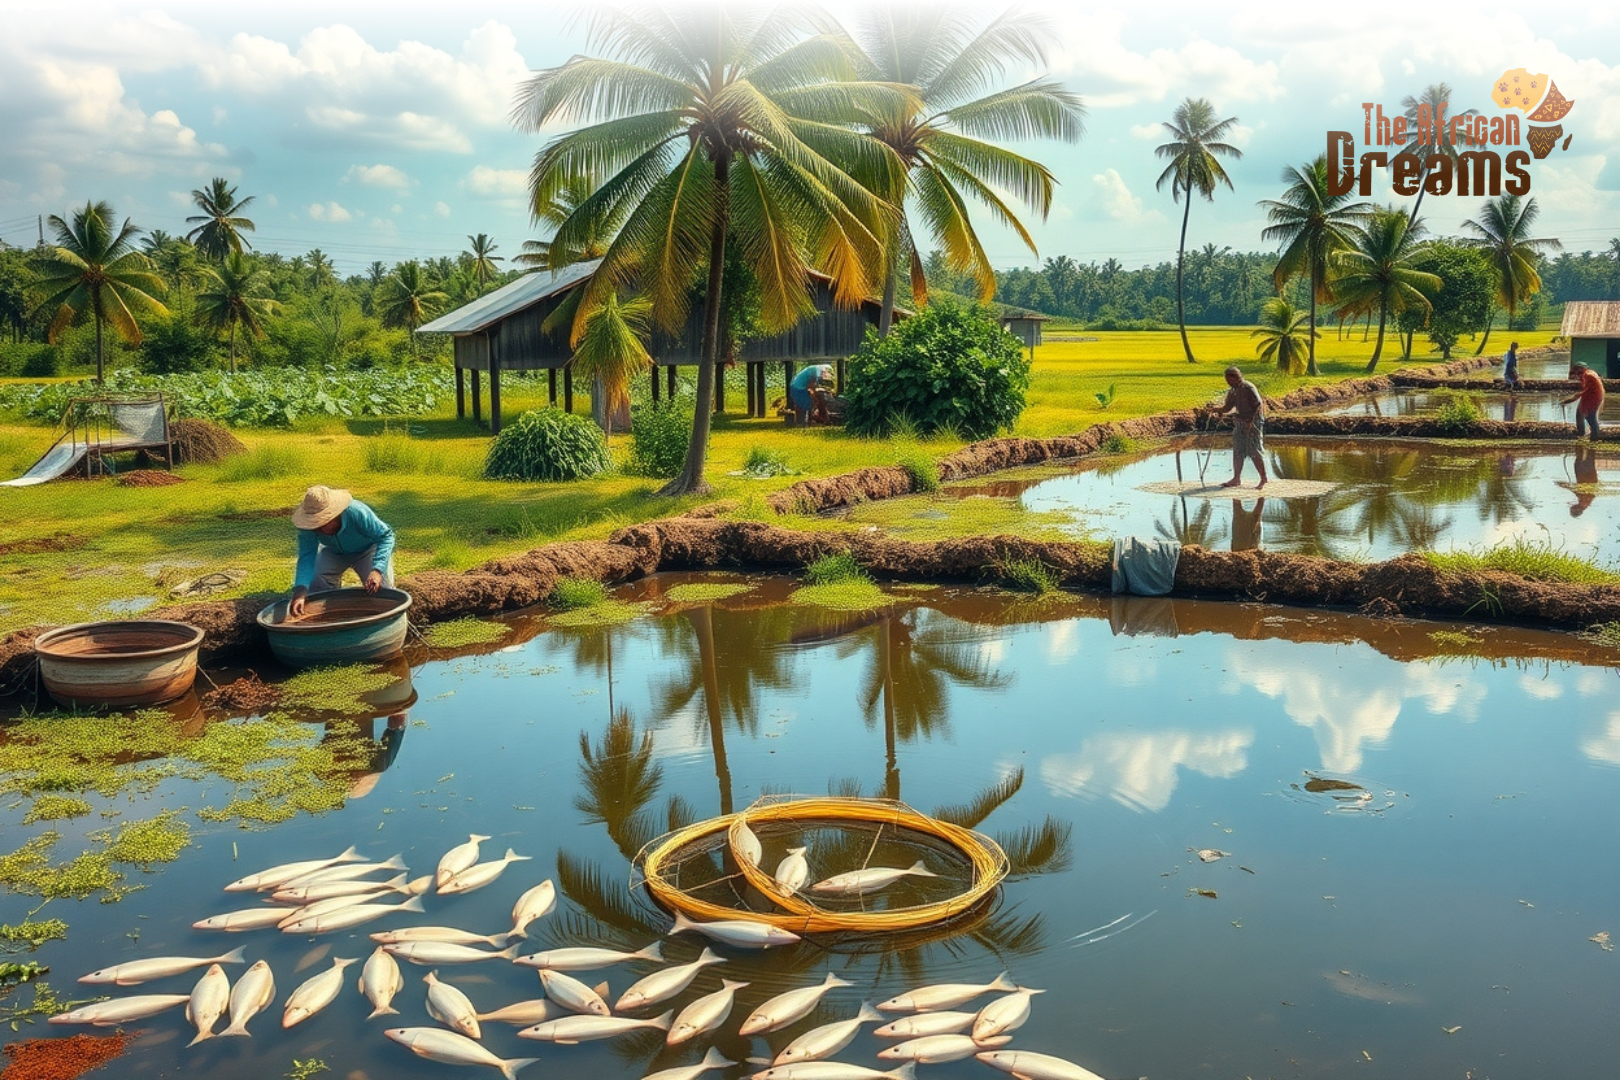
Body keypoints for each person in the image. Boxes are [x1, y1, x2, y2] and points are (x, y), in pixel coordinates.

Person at [288, 485, 395, 617]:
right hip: (333, 551)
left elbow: (386, 536)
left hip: (368, 549)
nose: (319, 530)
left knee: (382, 591)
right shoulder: (308, 527)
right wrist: (300, 590)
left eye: (322, 523)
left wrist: (377, 570)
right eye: (315, 525)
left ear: (335, 515)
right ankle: (331, 615)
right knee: (315, 584)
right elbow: (307, 556)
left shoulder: (356, 511)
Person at [1214, 366, 1268, 489]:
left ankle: (1263, 478)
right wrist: (1216, 409)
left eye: (1229, 380)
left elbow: (1258, 405)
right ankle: (1236, 478)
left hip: (1253, 422)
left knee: (1254, 450)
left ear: (1236, 377)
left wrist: (1251, 423)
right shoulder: (1233, 391)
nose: (1228, 382)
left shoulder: (1248, 387)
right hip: (1240, 421)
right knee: (1238, 450)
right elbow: (1227, 407)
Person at [1561, 362, 1604, 439]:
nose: (1576, 372)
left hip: (1593, 397)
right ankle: (1581, 433)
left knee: (1590, 417)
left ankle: (1594, 438)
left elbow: (1585, 391)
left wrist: (1569, 400)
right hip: (1590, 395)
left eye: (1578, 370)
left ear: (1583, 369)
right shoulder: (1588, 373)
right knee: (1579, 413)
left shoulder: (1588, 375)